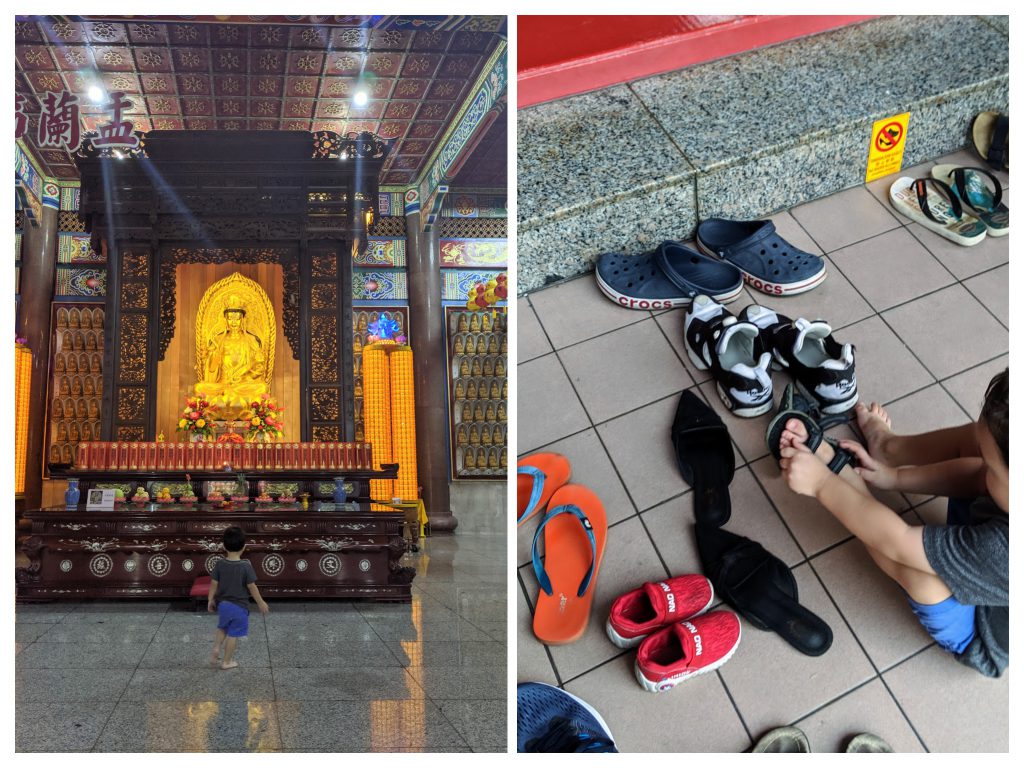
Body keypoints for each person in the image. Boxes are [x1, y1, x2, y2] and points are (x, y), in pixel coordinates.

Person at [777, 369, 1008, 677]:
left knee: (923, 575)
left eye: (992, 469)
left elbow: (898, 542)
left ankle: (843, 476)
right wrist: (892, 476)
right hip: (994, 528)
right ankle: (888, 448)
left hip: (979, 626)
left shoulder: (1004, 553)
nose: (984, 469)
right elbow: (976, 474)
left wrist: (822, 485)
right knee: (987, 438)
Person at [208, 526, 269, 670]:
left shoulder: (220, 564)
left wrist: (210, 599)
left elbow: (213, 584)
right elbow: (252, 587)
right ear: (244, 547)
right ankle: (227, 661)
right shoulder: (245, 566)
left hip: (223, 605)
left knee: (223, 627)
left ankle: (216, 647)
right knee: (233, 634)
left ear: (223, 546)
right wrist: (260, 602)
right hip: (239, 607)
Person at [198, 295, 267, 405]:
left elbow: (259, 367)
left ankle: (227, 398)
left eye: (237, 318)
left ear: (243, 320)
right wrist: (212, 356)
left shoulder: (252, 340)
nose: (233, 322)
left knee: (261, 387)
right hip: (222, 384)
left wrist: (246, 376)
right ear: (225, 320)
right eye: (230, 318)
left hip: (242, 384)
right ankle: (231, 398)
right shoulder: (218, 340)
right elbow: (211, 371)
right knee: (200, 388)